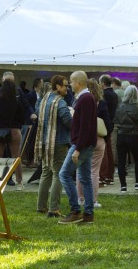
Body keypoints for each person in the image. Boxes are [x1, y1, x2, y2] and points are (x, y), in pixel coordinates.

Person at [58, 70, 97, 225]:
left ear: (78, 83)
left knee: (64, 174)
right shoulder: (85, 98)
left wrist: (78, 149)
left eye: (71, 82)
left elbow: (85, 127)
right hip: (85, 144)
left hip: (82, 145)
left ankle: (75, 211)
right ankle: (88, 214)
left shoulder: (85, 98)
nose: (70, 85)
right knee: (85, 179)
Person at [34, 75, 72, 218]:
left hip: (43, 141)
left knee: (46, 173)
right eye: (64, 86)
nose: (67, 88)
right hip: (58, 142)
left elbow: (38, 114)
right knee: (58, 174)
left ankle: (41, 206)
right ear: (57, 87)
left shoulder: (43, 100)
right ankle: (54, 209)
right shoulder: (59, 102)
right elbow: (68, 121)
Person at [79, 78, 111, 209]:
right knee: (94, 172)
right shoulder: (101, 103)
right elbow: (108, 123)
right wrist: (106, 137)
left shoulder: (80, 101)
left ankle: (80, 198)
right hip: (98, 139)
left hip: (83, 140)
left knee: (80, 171)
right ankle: (93, 200)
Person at [0, 79, 25, 190]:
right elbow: (22, 119)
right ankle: (19, 182)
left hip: (1, 131)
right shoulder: (17, 101)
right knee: (16, 157)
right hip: (15, 131)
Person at [114, 85, 138, 192]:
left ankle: (123, 186)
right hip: (134, 136)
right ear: (136, 94)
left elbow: (115, 121)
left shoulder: (119, 106)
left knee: (121, 161)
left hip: (121, 135)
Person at [99, 74, 117, 186]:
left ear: (102, 83)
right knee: (109, 151)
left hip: (104, 124)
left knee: (103, 152)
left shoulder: (104, 95)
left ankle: (103, 176)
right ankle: (110, 176)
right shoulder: (114, 94)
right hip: (111, 124)